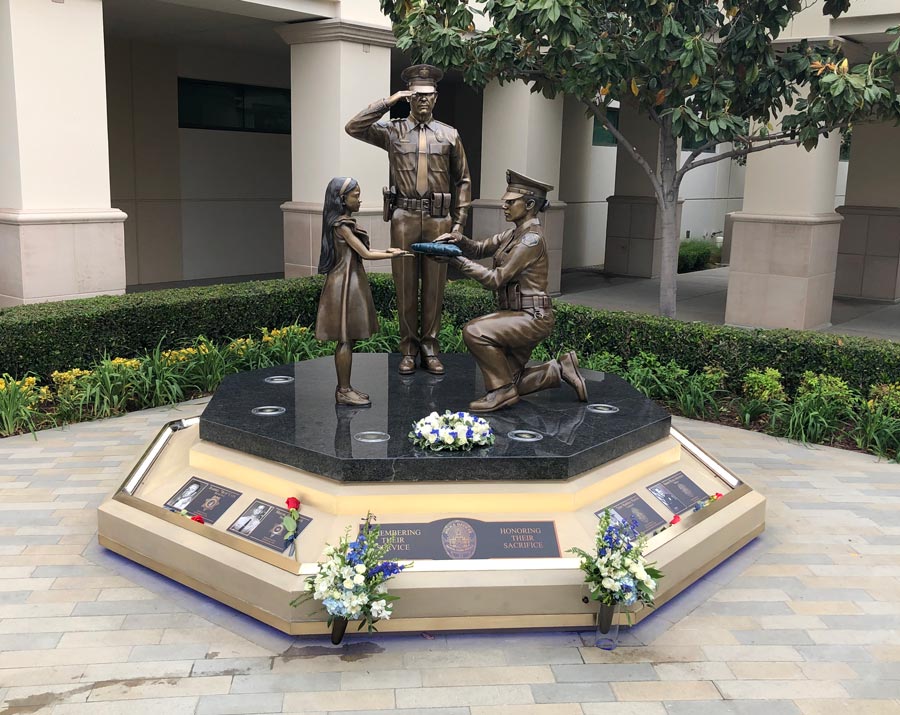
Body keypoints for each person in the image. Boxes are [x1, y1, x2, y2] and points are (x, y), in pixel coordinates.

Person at [345, 64, 471, 376]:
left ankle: (429, 347)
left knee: (434, 288)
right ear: (409, 98)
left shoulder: (449, 135)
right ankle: (408, 349)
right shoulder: (392, 131)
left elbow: (464, 181)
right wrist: (389, 102)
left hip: (439, 218)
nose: (422, 100)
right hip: (403, 216)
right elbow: (353, 127)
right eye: (415, 95)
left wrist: (459, 224)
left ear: (436, 98)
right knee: (404, 286)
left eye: (427, 95)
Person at [436, 170, 588, 412]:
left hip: (530, 318)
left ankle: (502, 392)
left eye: (510, 202)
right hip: (517, 314)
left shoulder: (531, 241)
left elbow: (496, 279)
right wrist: (458, 241)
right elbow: (478, 248)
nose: (503, 206)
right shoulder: (512, 234)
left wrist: (456, 261)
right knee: (512, 378)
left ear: (529, 205)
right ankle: (560, 369)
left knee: (475, 331)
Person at [315, 177, 410, 406]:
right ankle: (343, 390)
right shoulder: (342, 226)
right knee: (345, 340)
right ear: (342, 199)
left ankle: (345, 387)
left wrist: (387, 250)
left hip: (350, 281)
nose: (359, 200)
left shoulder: (344, 223)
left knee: (350, 339)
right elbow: (365, 254)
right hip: (344, 284)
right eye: (355, 195)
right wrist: (393, 256)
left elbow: (362, 251)